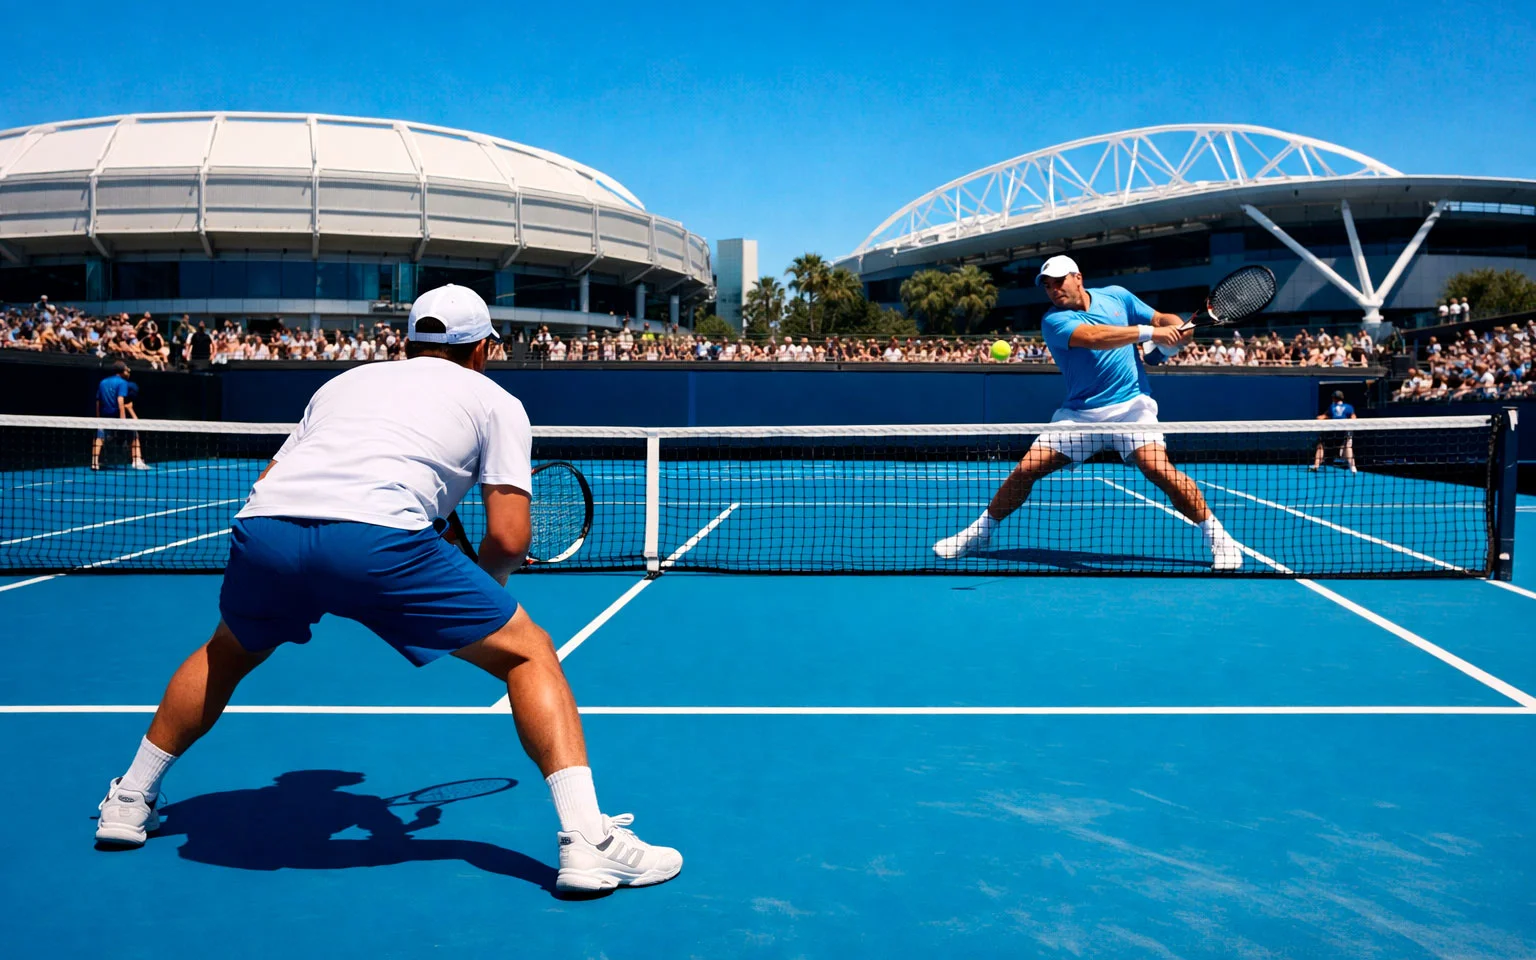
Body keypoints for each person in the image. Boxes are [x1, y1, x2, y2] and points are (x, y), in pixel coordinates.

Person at [93, 284, 681, 895]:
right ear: (483, 348)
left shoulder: (342, 384)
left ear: (408, 342)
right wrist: (485, 586)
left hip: (266, 529)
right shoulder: (496, 400)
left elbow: (275, 475)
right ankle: (588, 841)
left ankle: (129, 800)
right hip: (376, 543)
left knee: (228, 651)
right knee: (529, 653)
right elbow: (507, 540)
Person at [932, 256, 1244, 570]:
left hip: (1131, 407)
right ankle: (979, 533)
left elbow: (1162, 318)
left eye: (1059, 281)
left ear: (1077, 277)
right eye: (1048, 286)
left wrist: (1175, 329)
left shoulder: (1117, 296)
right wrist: (1151, 334)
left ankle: (1220, 539)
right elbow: (1095, 338)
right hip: (1080, 415)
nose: (1054, 290)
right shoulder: (1054, 321)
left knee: (1158, 468)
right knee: (1026, 469)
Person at [91, 360, 149, 470]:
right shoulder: (122, 383)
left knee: (99, 437)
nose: (129, 371)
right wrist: (122, 419)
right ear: (122, 371)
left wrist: (98, 418)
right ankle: (137, 460)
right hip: (117, 416)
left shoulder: (102, 382)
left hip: (104, 416)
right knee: (134, 434)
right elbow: (120, 400)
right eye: (127, 369)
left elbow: (98, 401)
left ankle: (94, 462)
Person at [1312, 390, 1358, 472]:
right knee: (1348, 446)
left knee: (1320, 445)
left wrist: (1319, 418)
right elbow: (1353, 417)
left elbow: (1324, 416)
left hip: (1333, 431)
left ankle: (1316, 465)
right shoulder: (1349, 407)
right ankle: (1353, 467)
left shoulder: (1331, 407)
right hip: (1344, 432)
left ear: (1333, 398)